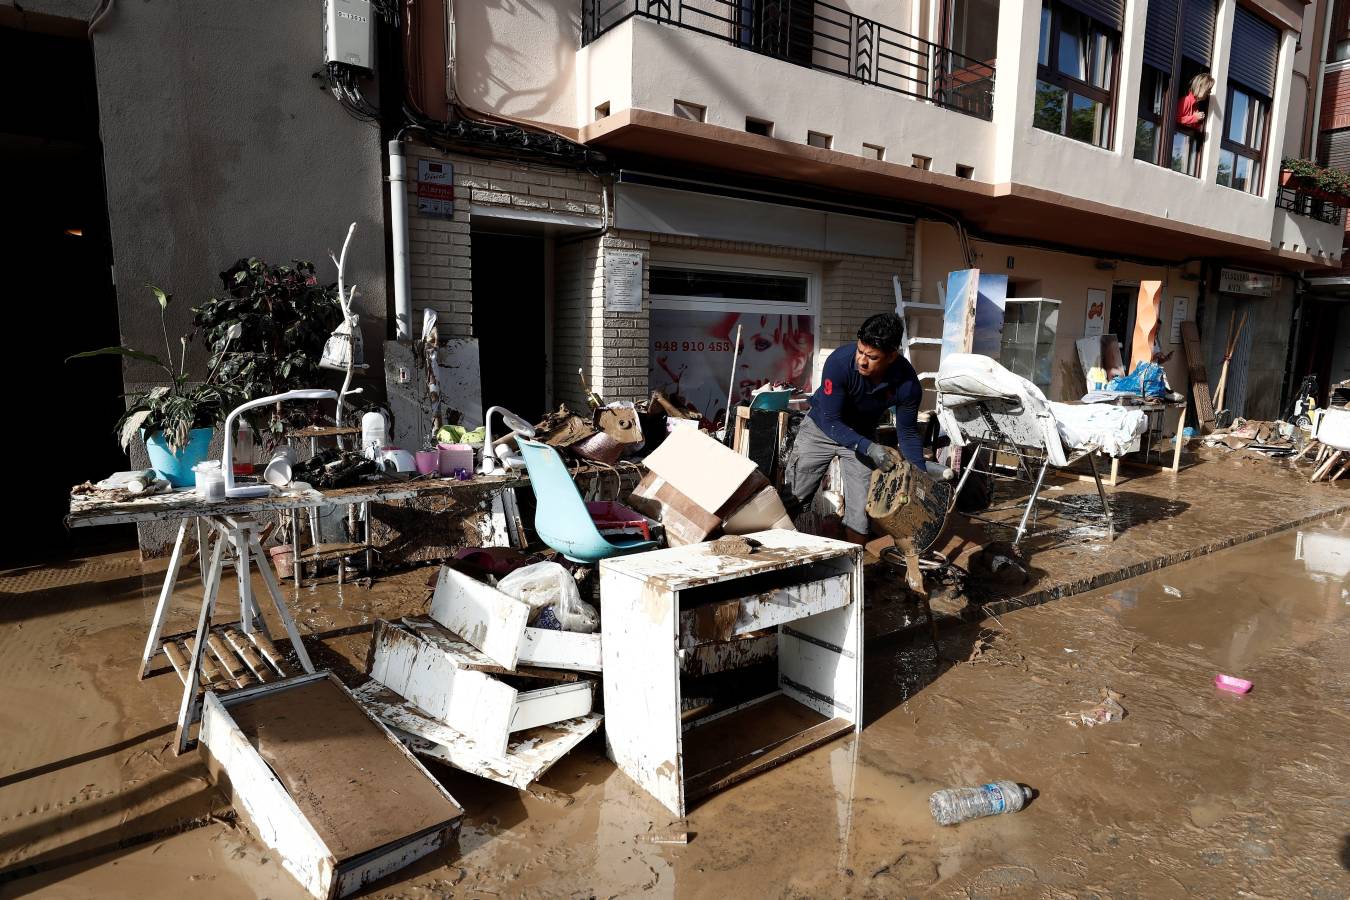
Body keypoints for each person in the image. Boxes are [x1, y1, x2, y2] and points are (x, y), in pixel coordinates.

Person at [785, 312, 925, 546]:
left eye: (872, 356)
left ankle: (852, 569)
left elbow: (908, 434)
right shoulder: (839, 363)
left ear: (891, 356)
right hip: (822, 429)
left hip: (862, 434)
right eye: (860, 351)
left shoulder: (908, 385)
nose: (861, 360)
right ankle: (778, 558)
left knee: (861, 512)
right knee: (794, 498)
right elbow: (831, 420)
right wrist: (869, 448)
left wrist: (919, 480)